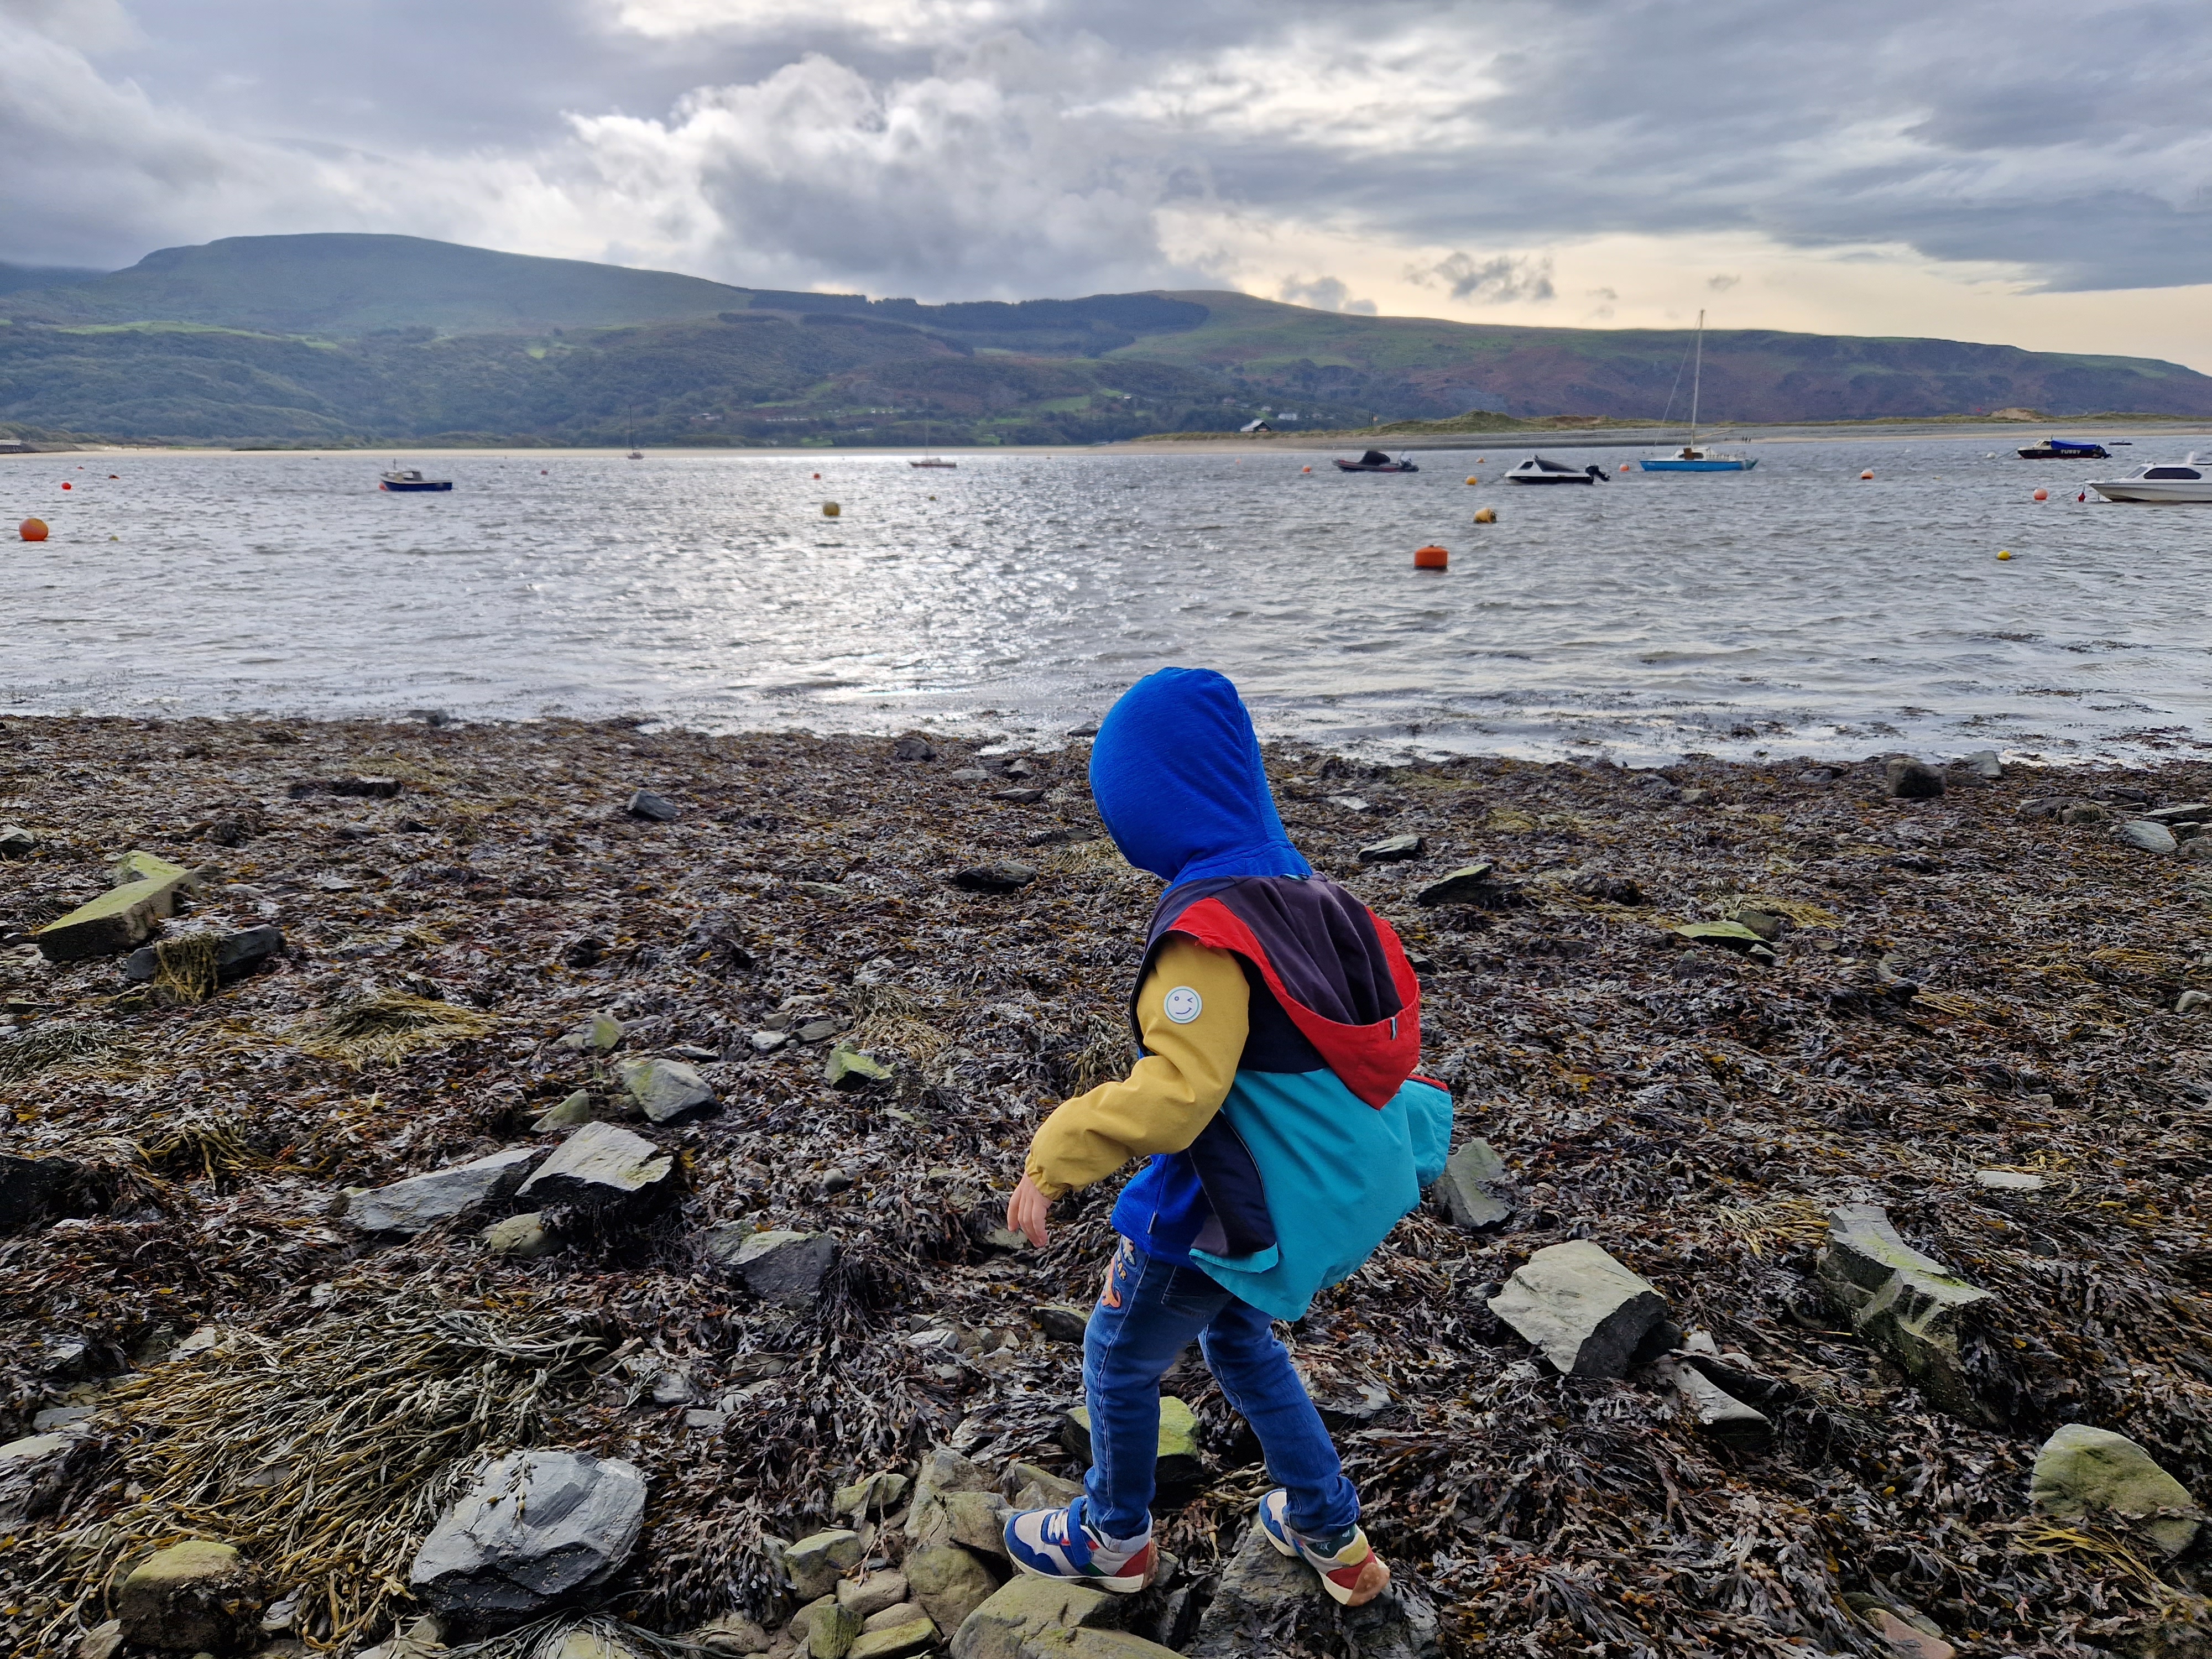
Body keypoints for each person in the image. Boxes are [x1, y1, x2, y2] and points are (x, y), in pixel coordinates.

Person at [998, 667, 1452, 1608]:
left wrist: (1058, 1151)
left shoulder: (1205, 935)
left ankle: (1112, 1535)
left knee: (1120, 1354)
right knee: (1243, 1341)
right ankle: (1331, 1533)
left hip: (1217, 1205)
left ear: (1150, 804)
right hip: (1307, 1188)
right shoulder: (1310, 891)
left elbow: (1178, 1100)